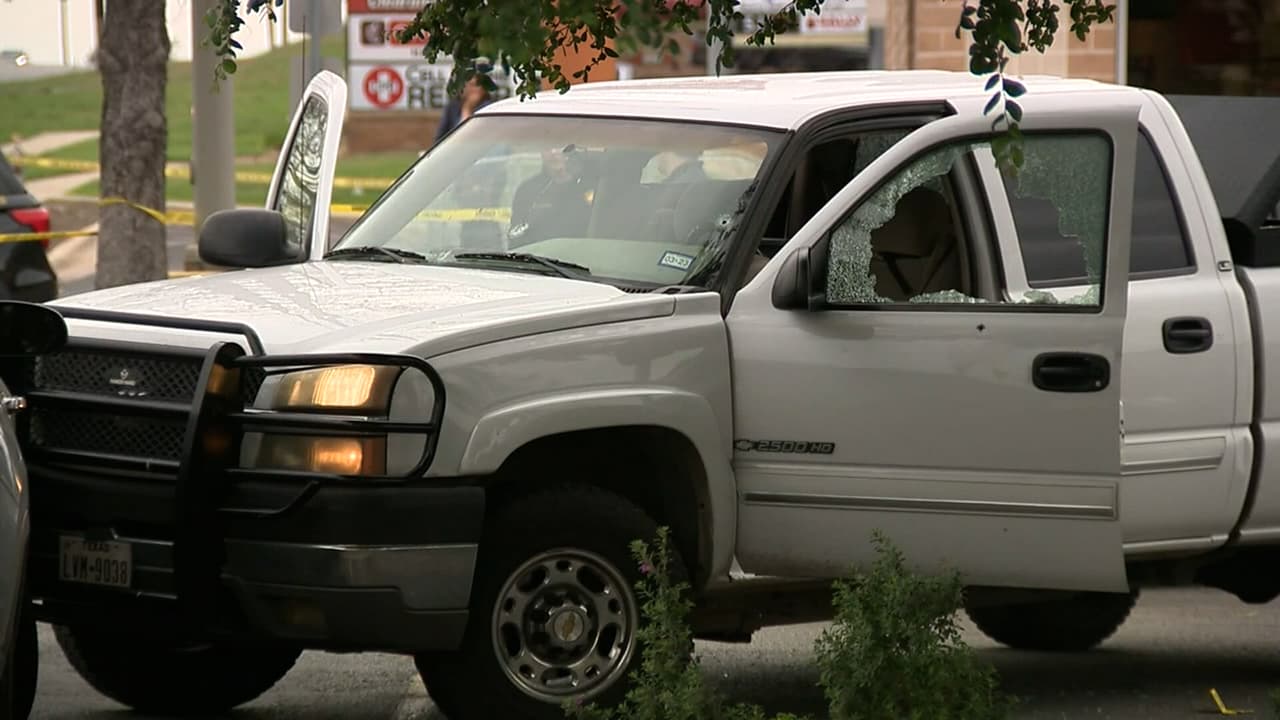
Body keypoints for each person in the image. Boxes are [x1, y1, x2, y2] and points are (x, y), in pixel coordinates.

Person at [434, 58, 497, 144]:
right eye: (470, 85)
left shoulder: (490, 109)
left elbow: (474, 137)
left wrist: (468, 109)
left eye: (476, 85)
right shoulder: (452, 107)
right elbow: (439, 139)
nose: (474, 90)